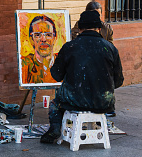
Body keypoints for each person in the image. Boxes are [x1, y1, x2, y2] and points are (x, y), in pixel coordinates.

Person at [40, 10, 124, 143]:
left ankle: (55, 128)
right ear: (99, 28)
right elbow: (118, 81)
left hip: (75, 101)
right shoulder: (110, 48)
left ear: (79, 28)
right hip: (104, 103)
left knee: (55, 104)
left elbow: (56, 75)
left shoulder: (70, 47)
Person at [21, 15, 58, 84]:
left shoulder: (62, 61)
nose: (43, 39)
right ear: (31, 40)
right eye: (38, 35)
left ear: (55, 38)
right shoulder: (25, 64)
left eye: (48, 35)